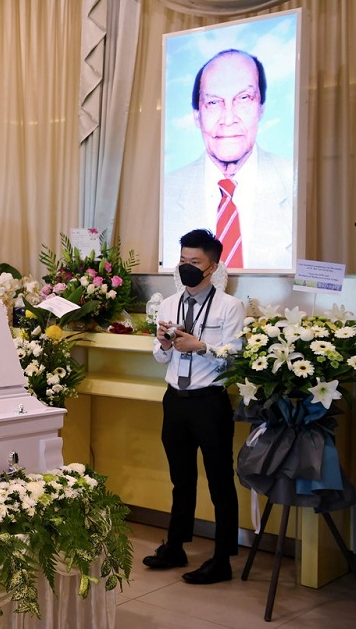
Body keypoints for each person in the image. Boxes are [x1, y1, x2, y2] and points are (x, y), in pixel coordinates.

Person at [145, 229, 244, 585]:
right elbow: (159, 357)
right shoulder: (169, 304)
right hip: (175, 400)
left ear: (213, 266)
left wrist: (199, 347)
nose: (187, 267)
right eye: (183, 260)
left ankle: (222, 558)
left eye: (195, 262)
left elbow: (234, 359)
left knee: (219, 480)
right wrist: (166, 345)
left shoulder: (230, 307)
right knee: (180, 478)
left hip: (209, 402)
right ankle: (175, 546)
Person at [163, 49, 293, 270]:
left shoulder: (292, 183)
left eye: (243, 98)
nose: (229, 118)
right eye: (214, 103)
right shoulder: (167, 191)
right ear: (197, 115)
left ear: (261, 108)